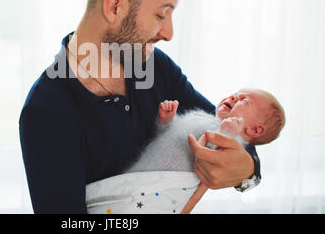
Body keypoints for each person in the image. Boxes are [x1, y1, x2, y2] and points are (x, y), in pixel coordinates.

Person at [19, 0, 261, 214]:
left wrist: (247, 168)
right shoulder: (46, 112)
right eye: (161, 15)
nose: (169, 33)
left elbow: (227, 123)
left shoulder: (156, 67)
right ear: (115, 6)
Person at [84, 88, 285, 214]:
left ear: (254, 129)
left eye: (244, 100)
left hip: (156, 191)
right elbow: (169, 136)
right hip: (139, 174)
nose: (234, 96)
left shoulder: (231, 141)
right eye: (236, 92)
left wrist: (229, 134)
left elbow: (213, 157)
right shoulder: (202, 116)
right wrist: (166, 122)